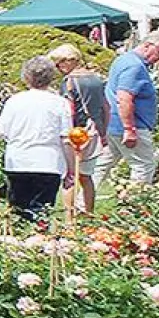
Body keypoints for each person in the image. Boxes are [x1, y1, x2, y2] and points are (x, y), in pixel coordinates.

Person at [0, 57, 76, 219]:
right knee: (42, 212)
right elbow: (66, 138)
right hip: (48, 162)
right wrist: (71, 168)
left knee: (18, 211)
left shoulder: (14, 101)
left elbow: (0, 133)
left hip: (18, 161)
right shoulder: (59, 103)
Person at [96, 33, 159, 187]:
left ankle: (81, 204)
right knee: (144, 166)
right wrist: (129, 129)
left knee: (101, 166)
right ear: (147, 45)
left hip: (112, 123)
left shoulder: (123, 59)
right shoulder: (135, 66)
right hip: (130, 125)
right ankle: (135, 206)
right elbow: (124, 97)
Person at [50, 44, 108, 212]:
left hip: (77, 132)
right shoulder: (97, 79)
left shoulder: (69, 82)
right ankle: (88, 214)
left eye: (59, 63)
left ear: (69, 61)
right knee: (86, 176)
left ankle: (69, 219)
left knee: (70, 176)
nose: (58, 68)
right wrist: (103, 131)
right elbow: (106, 107)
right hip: (95, 129)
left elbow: (69, 109)